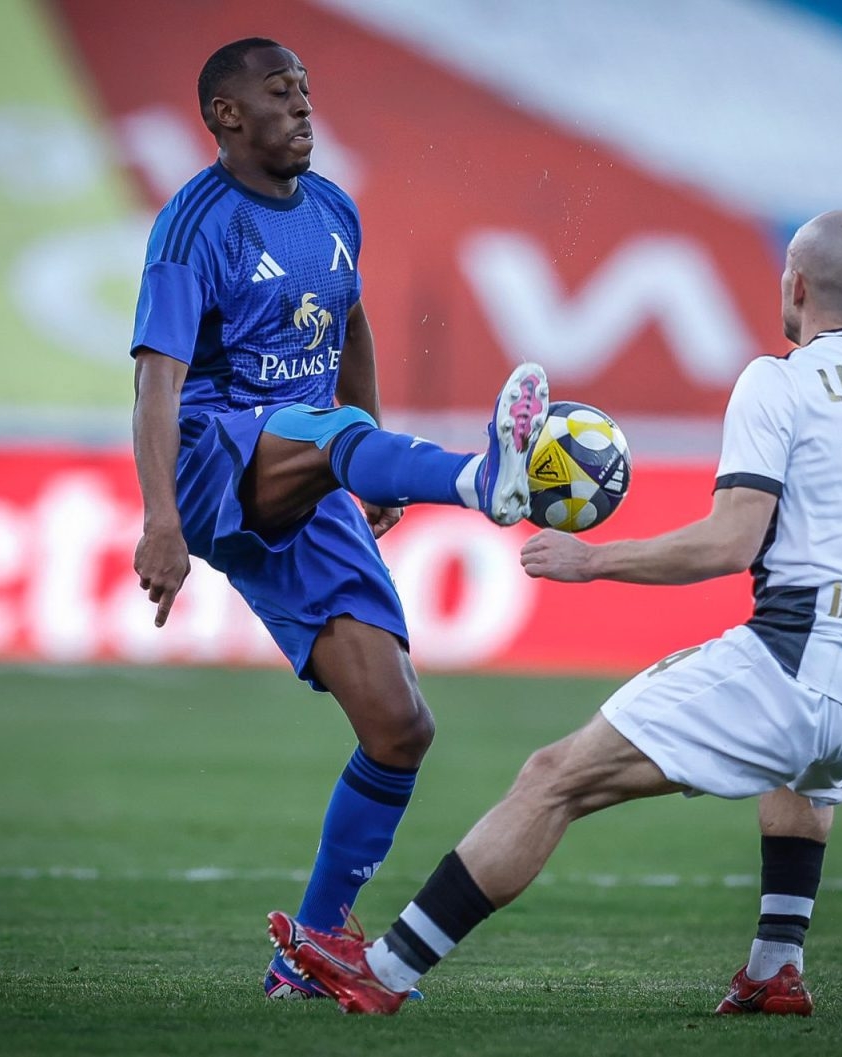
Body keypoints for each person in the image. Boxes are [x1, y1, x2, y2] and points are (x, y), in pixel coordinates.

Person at [267, 211, 842, 1016]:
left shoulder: (779, 381)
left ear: (795, 285)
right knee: (807, 768)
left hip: (799, 666)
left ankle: (386, 969)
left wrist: (594, 560)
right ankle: (775, 966)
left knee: (554, 778)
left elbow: (730, 542)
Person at [129, 37, 549, 1000]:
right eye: (281, 93)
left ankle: (309, 950)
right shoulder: (192, 226)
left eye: (307, 92)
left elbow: (351, 327)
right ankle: (481, 480)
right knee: (328, 430)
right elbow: (157, 382)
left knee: (400, 726)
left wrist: (372, 467)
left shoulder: (333, 210)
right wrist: (160, 519)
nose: (303, 108)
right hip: (211, 456)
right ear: (227, 115)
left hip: (310, 466)